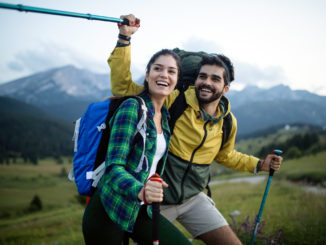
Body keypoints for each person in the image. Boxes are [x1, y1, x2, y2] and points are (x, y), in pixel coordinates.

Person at [109, 14, 283, 245]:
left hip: (194, 199)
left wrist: (259, 164)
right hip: (158, 202)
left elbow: (225, 155)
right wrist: (124, 39)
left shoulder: (228, 121)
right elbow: (123, 87)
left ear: (226, 87)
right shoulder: (175, 101)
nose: (206, 82)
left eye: (215, 79)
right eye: (202, 76)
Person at [82, 25, 192, 244]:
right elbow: (114, 169)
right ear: (148, 74)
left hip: (142, 209)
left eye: (171, 71)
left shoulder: (166, 119)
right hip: (109, 208)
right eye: (158, 69)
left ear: (177, 81)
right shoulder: (133, 107)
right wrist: (141, 190)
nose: (164, 75)